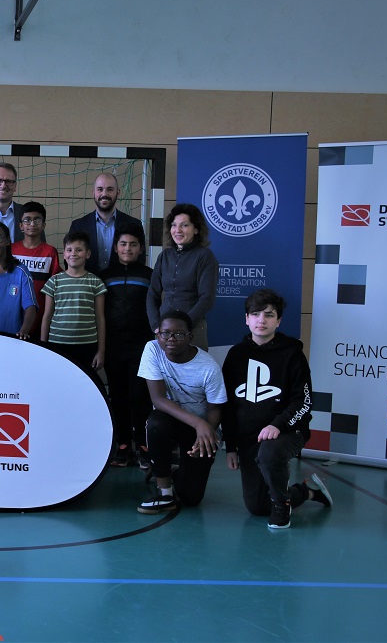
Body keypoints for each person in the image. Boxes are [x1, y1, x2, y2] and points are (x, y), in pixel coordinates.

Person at [222, 289, 333, 529]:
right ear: (246, 319)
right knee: (258, 507)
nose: (261, 320)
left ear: (278, 321)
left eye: (269, 315)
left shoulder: (292, 353)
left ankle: (282, 509)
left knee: (270, 453)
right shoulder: (235, 355)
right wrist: (231, 446)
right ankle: (306, 492)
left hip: (287, 431)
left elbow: (303, 401)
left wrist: (277, 424)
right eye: (256, 314)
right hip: (249, 437)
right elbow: (228, 406)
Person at [136, 311, 228, 513]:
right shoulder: (152, 349)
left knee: (191, 498)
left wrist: (205, 430)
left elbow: (216, 408)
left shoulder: (209, 368)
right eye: (165, 333)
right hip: (173, 419)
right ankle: (165, 492)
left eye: (178, 334)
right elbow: (158, 399)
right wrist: (198, 423)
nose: (170, 339)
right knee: (156, 423)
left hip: (201, 430)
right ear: (157, 335)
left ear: (190, 337)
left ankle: (178, 473)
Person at [100, 223, 155, 469]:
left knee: (139, 395)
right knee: (119, 396)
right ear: (115, 247)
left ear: (140, 248)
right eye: (123, 244)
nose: (127, 248)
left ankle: (142, 446)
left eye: (133, 244)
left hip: (141, 345)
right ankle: (122, 446)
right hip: (113, 345)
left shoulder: (149, 275)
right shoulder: (104, 275)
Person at [147, 203, 218, 350]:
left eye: (184, 225)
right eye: (174, 225)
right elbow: (152, 294)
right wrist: (156, 325)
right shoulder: (164, 256)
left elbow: (207, 298)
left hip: (192, 329)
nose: (177, 230)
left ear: (196, 229)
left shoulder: (205, 256)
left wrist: (183, 325)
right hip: (164, 332)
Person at [41, 231, 107, 389]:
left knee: (84, 386)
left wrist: (101, 351)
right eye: (69, 250)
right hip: (58, 344)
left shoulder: (95, 283)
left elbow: (100, 318)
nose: (74, 254)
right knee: (60, 385)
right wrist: (43, 348)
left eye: (79, 250)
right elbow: (47, 316)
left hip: (87, 345)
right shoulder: (54, 281)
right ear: (64, 254)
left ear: (88, 253)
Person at [68, 172, 146, 276]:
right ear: (93, 193)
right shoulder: (78, 225)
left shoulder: (134, 224)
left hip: (120, 287)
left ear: (118, 193)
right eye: (100, 189)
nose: (104, 194)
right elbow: (70, 260)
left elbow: (140, 259)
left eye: (110, 189)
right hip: (87, 287)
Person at [11, 201, 61, 333]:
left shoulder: (50, 252)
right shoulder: (11, 250)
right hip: (12, 314)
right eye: (27, 220)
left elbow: (55, 286)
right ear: (21, 226)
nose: (32, 224)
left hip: (40, 315)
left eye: (37, 220)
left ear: (43, 225)